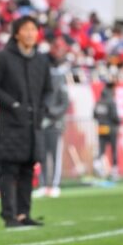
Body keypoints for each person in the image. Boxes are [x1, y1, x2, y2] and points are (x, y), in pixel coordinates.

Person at [0, 15, 52, 228]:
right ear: (16, 33)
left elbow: (49, 90)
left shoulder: (41, 60)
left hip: (34, 126)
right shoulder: (2, 58)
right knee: (8, 170)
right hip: (11, 124)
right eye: (27, 29)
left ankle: (24, 214)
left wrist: (43, 109)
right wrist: (13, 105)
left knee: (28, 169)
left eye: (34, 29)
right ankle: (9, 215)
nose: (31, 33)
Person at [35, 38, 70, 198]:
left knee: (55, 155)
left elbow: (64, 102)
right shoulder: (39, 82)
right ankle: (43, 184)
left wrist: (52, 113)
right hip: (42, 122)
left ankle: (54, 184)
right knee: (41, 155)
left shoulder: (59, 79)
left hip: (55, 123)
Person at [93, 80, 120, 180]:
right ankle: (114, 170)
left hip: (101, 128)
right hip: (111, 128)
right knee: (113, 150)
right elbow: (115, 116)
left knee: (101, 150)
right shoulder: (111, 102)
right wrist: (117, 123)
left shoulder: (99, 101)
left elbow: (94, 115)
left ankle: (97, 164)